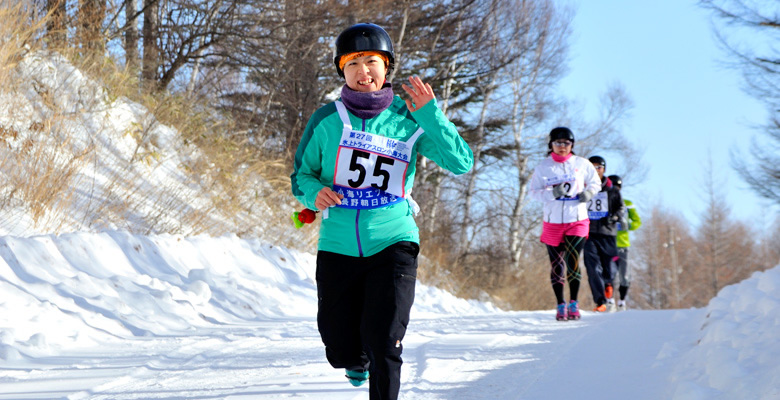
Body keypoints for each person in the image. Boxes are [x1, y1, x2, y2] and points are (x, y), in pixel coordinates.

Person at [290, 23, 473, 400]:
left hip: (394, 239)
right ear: (342, 70)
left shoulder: (410, 120)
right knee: (339, 346)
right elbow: (301, 176)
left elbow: (461, 162)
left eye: (372, 61)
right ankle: (356, 359)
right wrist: (315, 193)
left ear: (386, 67)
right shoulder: (326, 120)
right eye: (353, 63)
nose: (363, 71)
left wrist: (431, 115)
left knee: (385, 340)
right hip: (338, 243)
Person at [529, 127, 600, 321]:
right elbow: (533, 192)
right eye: (558, 143)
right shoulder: (543, 167)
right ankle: (560, 303)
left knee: (573, 260)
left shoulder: (582, 164)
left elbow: (595, 183)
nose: (562, 147)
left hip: (576, 218)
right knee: (557, 265)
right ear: (551, 145)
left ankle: (574, 303)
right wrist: (552, 193)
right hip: (553, 221)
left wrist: (589, 193)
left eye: (566, 143)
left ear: (572, 145)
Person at [583, 156, 626, 312]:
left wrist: (614, 217)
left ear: (604, 169)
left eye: (598, 167)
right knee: (592, 267)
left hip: (608, 233)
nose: (595, 170)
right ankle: (600, 301)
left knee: (609, 268)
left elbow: (621, 208)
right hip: (588, 233)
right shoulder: (582, 187)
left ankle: (608, 285)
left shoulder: (612, 189)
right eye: (592, 167)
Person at [608, 175, 642, 310]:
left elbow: (637, 222)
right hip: (608, 242)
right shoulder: (604, 203)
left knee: (624, 274)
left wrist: (627, 225)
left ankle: (622, 300)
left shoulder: (627, 203)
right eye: (611, 187)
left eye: (616, 187)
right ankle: (609, 299)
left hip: (623, 243)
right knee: (608, 273)